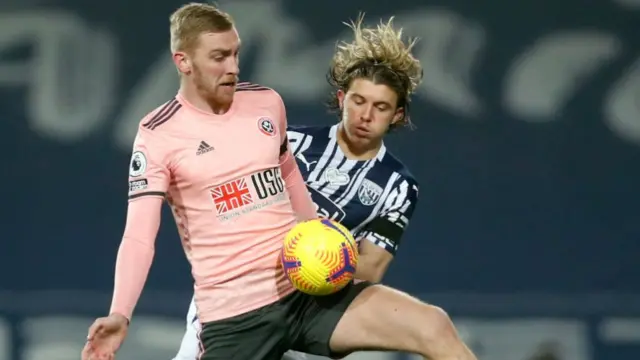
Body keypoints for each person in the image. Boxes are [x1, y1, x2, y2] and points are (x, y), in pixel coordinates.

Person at [82, 3, 478, 360]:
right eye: (219, 57)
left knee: (433, 325)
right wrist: (120, 313)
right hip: (236, 316)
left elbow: (289, 176)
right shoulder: (157, 135)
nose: (233, 67)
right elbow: (138, 237)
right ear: (183, 61)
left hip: (309, 299)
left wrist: (317, 238)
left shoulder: (266, 103)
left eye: (236, 53)